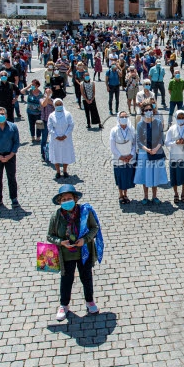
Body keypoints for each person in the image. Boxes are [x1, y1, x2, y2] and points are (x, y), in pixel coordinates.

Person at [46, 184, 104, 321]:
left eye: (69, 198)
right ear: (60, 202)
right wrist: (61, 242)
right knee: (66, 280)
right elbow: (49, 236)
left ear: (75, 199)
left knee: (86, 277)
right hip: (66, 254)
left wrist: (85, 239)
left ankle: (90, 302)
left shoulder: (85, 212)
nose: (66, 201)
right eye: (64, 199)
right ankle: (64, 305)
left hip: (83, 252)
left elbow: (94, 227)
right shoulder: (56, 216)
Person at [134, 100, 168, 204]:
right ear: (143, 111)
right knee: (146, 175)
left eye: (150, 109)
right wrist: (147, 149)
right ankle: (145, 196)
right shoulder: (140, 124)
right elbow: (139, 140)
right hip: (144, 153)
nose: (149, 111)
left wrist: (156, 149)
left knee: (155, 174)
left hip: (156, 152)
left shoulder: (158, 122)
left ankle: (154, 196)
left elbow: (161, 137)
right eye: (147, 110)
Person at [165, 109, 184, 203]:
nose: (181, 119)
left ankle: (183, 193)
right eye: (179, 118)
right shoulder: (171, 129)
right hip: (175, 157)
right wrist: (176, 142)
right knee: (174, 176)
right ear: (176, 118)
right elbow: (166, 142)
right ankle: (176, 193)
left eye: (182, 118)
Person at [110, 111, 137, 204]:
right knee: (120, 177)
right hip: (118, 159)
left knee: (127, 176)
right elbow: (112, 146)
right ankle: (120, 195)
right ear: (118, 118)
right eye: (122, 117)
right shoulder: (114, 130)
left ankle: (126, 194)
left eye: (126, 116)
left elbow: (135, 143)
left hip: (129, 158)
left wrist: (131, 154)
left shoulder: (131, 129)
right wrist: (120, 157)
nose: (124, 118)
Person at [47, 99, 76, 179]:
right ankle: (58, 171)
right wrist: (56, 136)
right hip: (55, 139)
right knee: (56, 154)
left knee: (65, 154)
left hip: (66, 138)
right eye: (57, 105)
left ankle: (65, 170)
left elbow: (71, 125)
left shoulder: (67, 114)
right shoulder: (51, 115)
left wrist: (65, 135)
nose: (59, 106)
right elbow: (50, 126)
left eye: (60, 104)